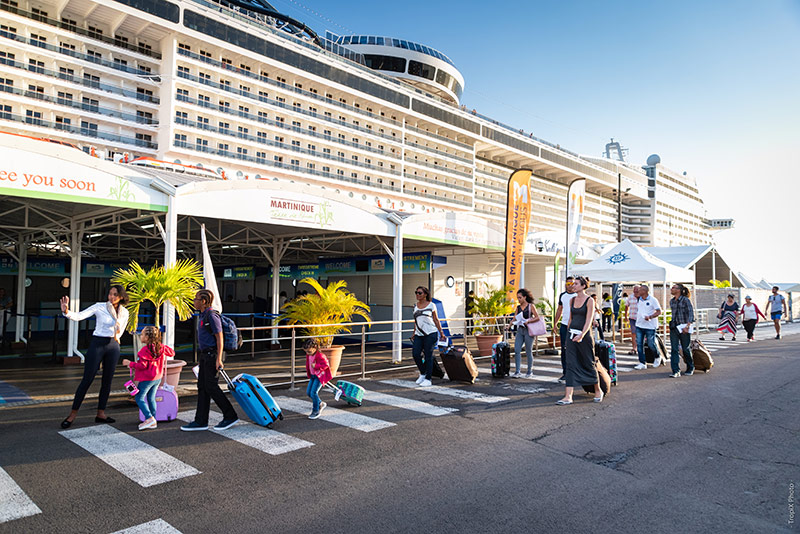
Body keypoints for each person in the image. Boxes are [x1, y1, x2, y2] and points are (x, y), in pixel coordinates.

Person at [59, 285, 130, 429]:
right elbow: (79, 316)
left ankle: (101, 413)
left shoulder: (125, 312)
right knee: (87, 379)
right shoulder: (100, 307)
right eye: (110, 294)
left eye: (115, 294)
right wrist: (66, 311)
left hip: (113, 345)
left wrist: (116, 339)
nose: (111, 297)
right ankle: (72, 414)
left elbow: (121, 330)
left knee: (107, 381)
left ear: (121, 297)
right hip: (98, 344)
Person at [181, 289, 239, 432]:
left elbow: (220, 337)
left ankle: (230, 415)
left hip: (213, 355)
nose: (194, 301)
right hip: (205, 355)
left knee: (211, 387)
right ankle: (201, 420)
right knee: (202, 387)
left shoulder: (212, 316)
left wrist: (218, 359)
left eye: (196, 299)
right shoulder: (202, 315)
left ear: (204, 301)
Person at [556, 276, 603, 405]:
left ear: (583, 286)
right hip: (571, 334)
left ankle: (598, 390)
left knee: (588, 362)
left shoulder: (589, 301)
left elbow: (588, 320)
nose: (572, 285)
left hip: (585, 336)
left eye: (576, 284)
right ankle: (568, 395)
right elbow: (570, 319)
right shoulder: (571, 300)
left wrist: (582, 335)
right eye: (572, 283)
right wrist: (568, 337)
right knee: (570, 363)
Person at [122, 326, 173, 430]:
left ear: (148, 337)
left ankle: (149, 418)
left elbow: (142, 366)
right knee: (151, 398)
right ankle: (153, 419)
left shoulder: (144, 351)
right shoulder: (161, 347)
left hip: (146, 378)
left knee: (139, 398)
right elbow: (172, 352)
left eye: (142, 334)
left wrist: (130, 363)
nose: (141, 336)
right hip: (157, 377)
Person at [411, 286, 446, 387]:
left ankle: (428, 378)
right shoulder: (415, 306)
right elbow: (416, 321)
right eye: (416, 292)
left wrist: (441, 333)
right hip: (419, 334)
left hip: (430, 334)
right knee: (416, 354)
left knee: (428, 356)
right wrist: (414, 332)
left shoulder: (431, 305)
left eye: (420, 293)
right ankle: (423, 373)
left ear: (425, 294)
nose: (417, 294)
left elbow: (436, 319)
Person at [509, 288, 541, 378]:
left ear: (525, 297)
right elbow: (514, 318)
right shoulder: (518, 307)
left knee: (528, 350)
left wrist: (528, 321)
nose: (518, 300)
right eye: (517, 298)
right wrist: (509, 326)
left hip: (529, 330)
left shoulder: (531, 306)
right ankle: (517, 371)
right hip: (520, 330)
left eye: (520, 298)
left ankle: (529, 371)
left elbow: (537, 317)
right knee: (517, 349)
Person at [668, 284, 694, 378]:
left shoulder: (685, 300)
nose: (671, 289)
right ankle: (675, 370)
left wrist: (687, 326)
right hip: (674, 328)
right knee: (674, 349)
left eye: (674, 288)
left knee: (685, 348)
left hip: (684, 327)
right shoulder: (672, 301)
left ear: (679, 290)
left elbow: (691, 313)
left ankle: (690, 367)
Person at [633, 284, 661, 370]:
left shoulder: (653, 300)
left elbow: (659, 311)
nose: (638, 291)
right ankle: (642, 362)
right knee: (639, 344)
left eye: (640, 290)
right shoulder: (639, 300)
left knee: (650, 343)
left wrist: (650, 317)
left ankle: (657, 356)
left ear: (645, 291)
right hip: (639, 325)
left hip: (650, 326)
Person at [553, 276, 576, 384]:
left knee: (575, 348)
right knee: (564, 348)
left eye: (572, 284)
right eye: (568, 284)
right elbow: (559, 309)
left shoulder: (577, 296)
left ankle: (575, 372)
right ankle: (565, 373)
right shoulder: (563, 295)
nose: (570, 286)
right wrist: (555, 323)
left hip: (575, 326)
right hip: (564, 324)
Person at [304, 338, 332, 419]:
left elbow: (326, 365)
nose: (307, 353)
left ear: (315, 348)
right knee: (309, 393)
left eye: (309, 351)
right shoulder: (309, 355)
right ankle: (320, 403)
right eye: (306, 352)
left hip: (319, 376)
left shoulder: (320, 356)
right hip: (313, 376)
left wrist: (316, 366)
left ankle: (316, 410)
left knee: (313, 393)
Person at [624, 286, 640, 355]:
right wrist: (625, 316)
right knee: (633, 334)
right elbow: (626, 307)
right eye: (634, 290)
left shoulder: (643, 297)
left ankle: (641, 348)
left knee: (641, 334)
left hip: (641, 319)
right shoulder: (630, 297)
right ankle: (634, 348)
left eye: (637, 290)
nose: (636, 291)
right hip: (632, 318)